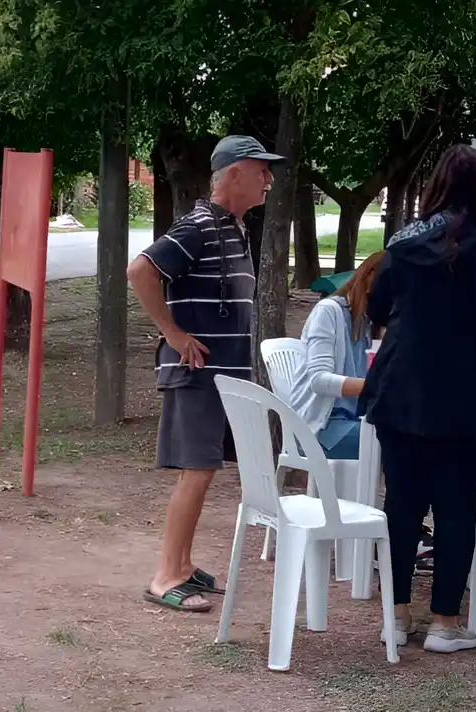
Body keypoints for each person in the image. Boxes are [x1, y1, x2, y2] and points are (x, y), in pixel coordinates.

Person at [359, 145, 476, 653]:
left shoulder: (403, 245)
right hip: (470, 398)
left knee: (402, 506)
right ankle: (444, 623)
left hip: (402, 392)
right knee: (458, 510)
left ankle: (396, 617)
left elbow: (378, 307)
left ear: (435, 189)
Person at [128, 134, 281, 613]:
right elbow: (141, 271)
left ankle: (184, 564)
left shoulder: (232, 228)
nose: (269, 180)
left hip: (221, 378)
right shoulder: (198, 225)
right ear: (233, 174)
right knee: (195, 472)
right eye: (261, 170)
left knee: (204, 471)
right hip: (197, 375)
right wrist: (174, 335)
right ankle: (165, 576)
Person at [287, 251, 384, 460]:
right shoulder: (329, 311)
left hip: (357, 421)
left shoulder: (371, 324)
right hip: (322, 427)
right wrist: (375, 387)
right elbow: (319, 380)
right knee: (398, 445)